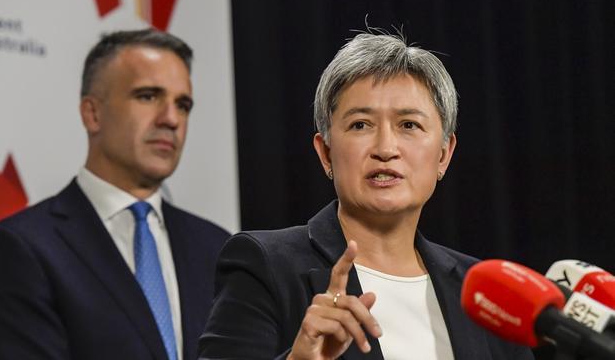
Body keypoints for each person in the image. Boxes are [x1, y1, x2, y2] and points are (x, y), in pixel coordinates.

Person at [198, 33, 534, 359]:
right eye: (360, 125)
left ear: (444, 154)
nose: (385, 149)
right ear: (326, 153)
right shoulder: (265, 266)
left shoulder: (483, 294)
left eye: (409, 125)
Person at [0, 29, 230, 360]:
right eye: (148, 96)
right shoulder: (21, 248)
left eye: (183, 104)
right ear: (92, 113)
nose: (171, 119)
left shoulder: (216, 246)